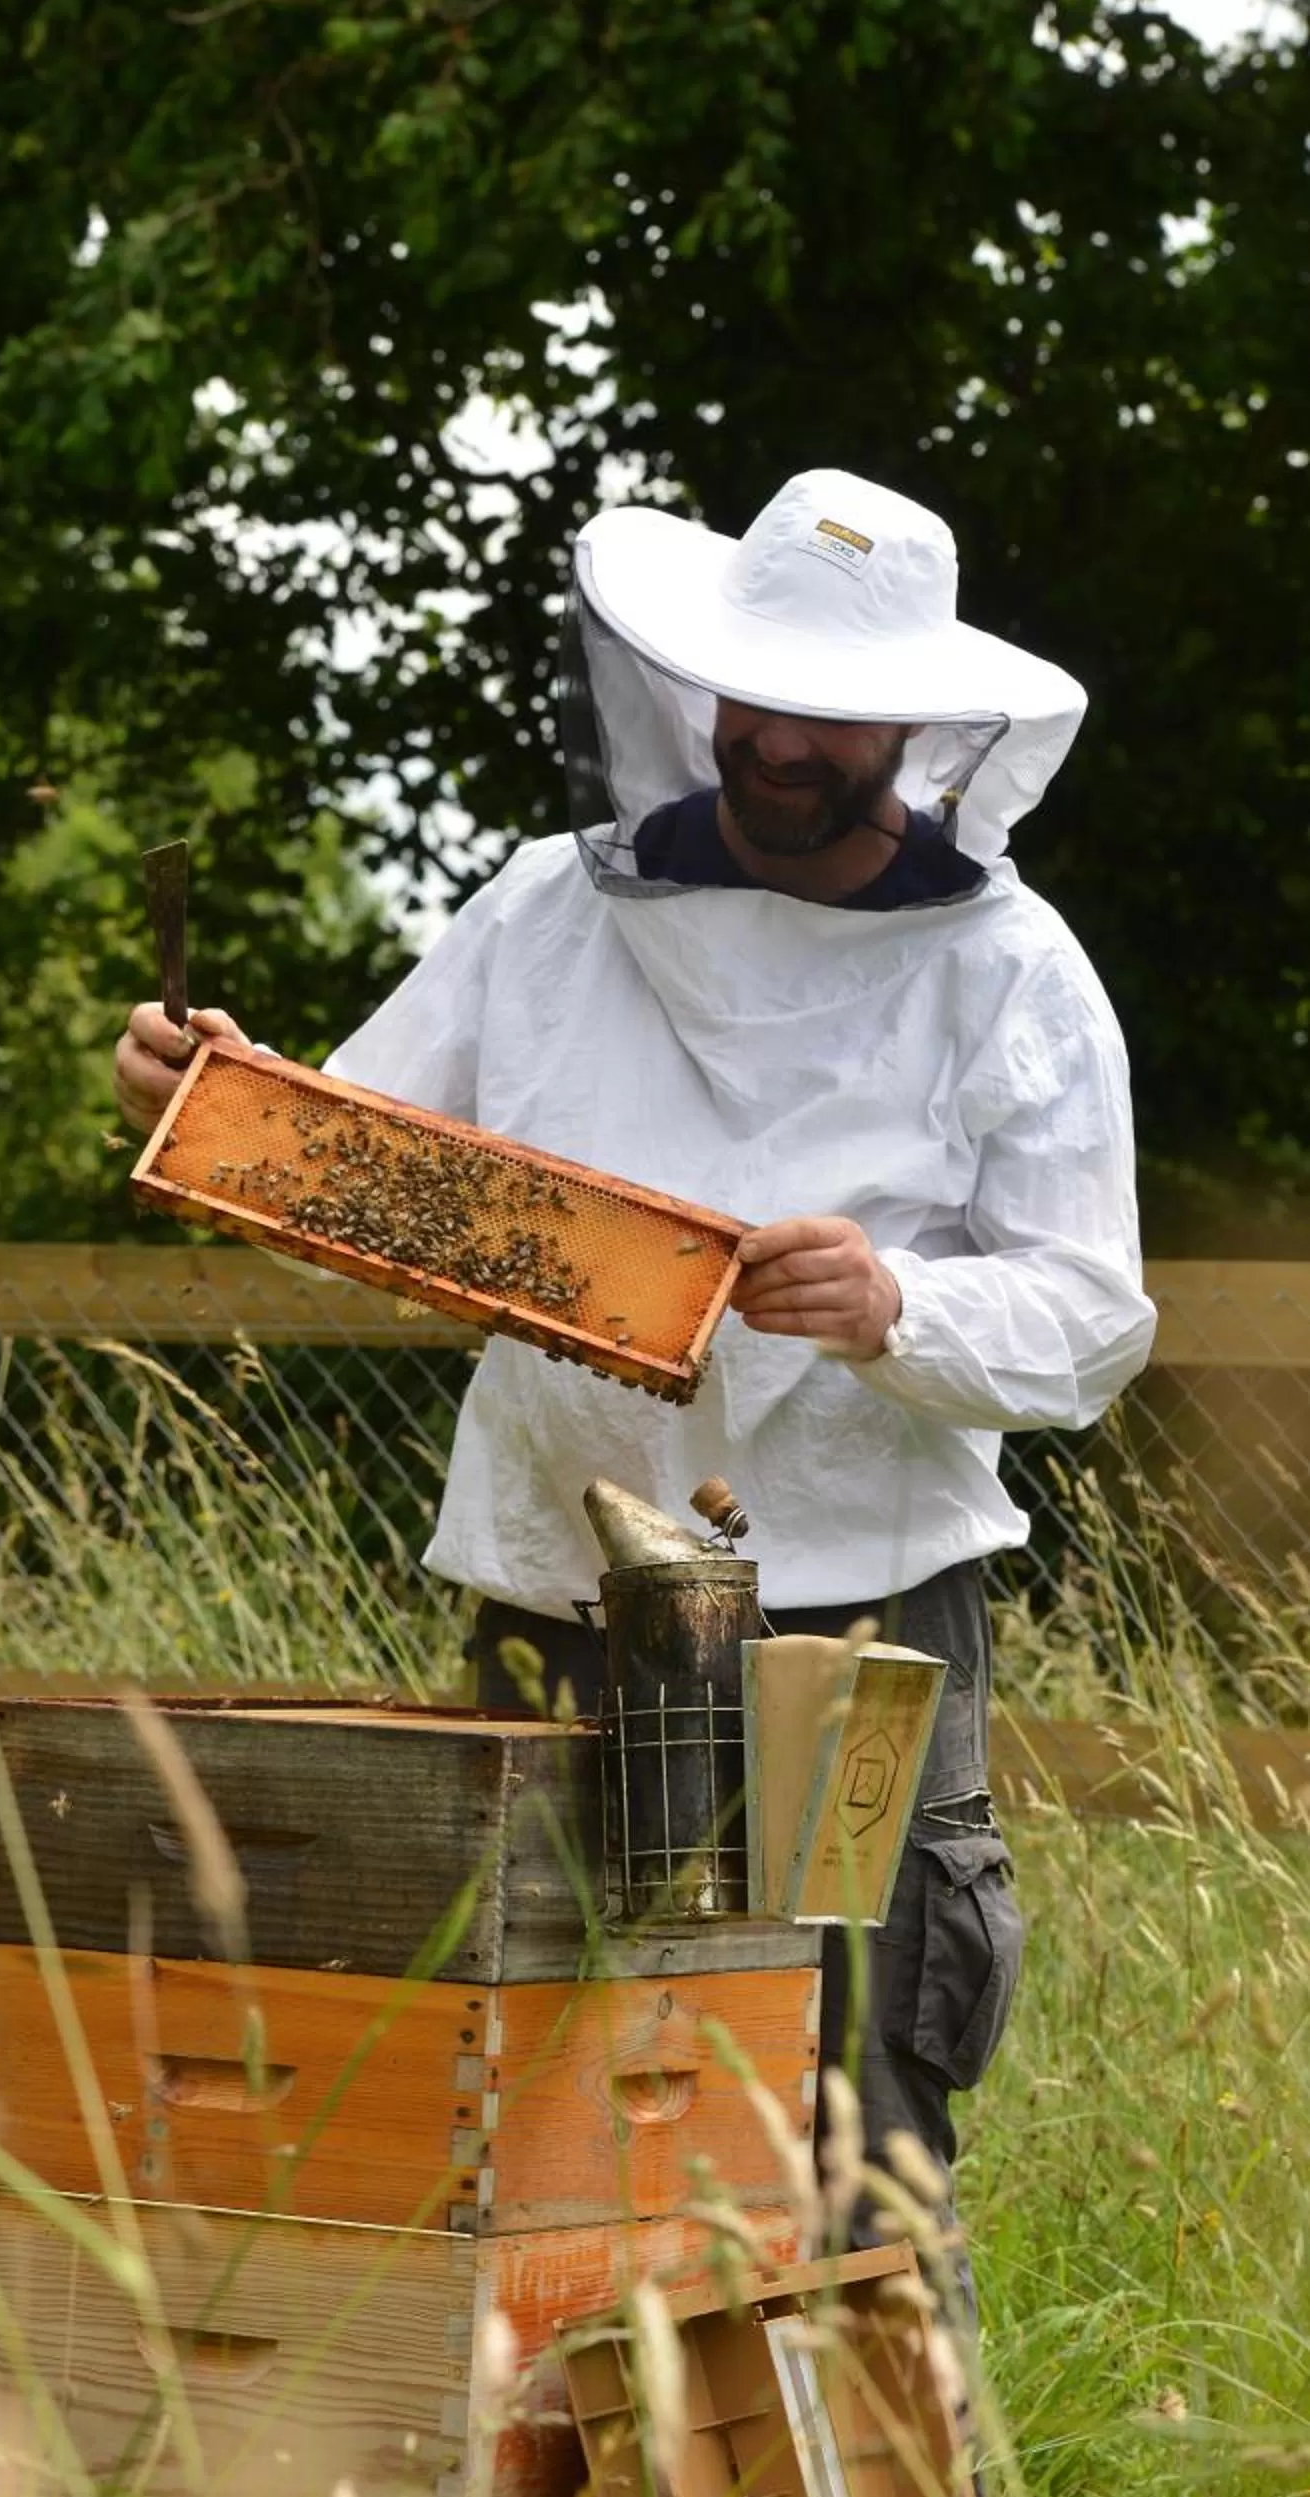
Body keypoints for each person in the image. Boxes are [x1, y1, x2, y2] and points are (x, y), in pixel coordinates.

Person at [114, 467, 1155, 2298]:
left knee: (858, 2104)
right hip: (553, 1587)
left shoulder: (1009, 971)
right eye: (748, 693)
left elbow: (1089, 1320)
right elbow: (348, 1183)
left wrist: (893, 1302)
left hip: (855, 1614)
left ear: (914, 717)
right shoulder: (544, 910)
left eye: (824, 711)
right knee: (528, 2077)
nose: (773, 741)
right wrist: (225, 1110)